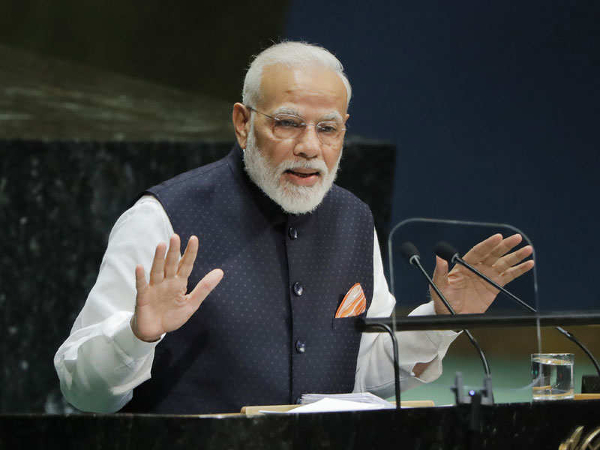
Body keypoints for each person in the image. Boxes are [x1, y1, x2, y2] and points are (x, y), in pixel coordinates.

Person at [54, 41, 534, 414]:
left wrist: (441, 320)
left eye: (328, 129)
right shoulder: (162, 218)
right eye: (287, 124)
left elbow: (365, 378)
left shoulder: (353, 220)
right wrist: (136, 335)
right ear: (243, 123)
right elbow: (82, 391)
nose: (309, 147)